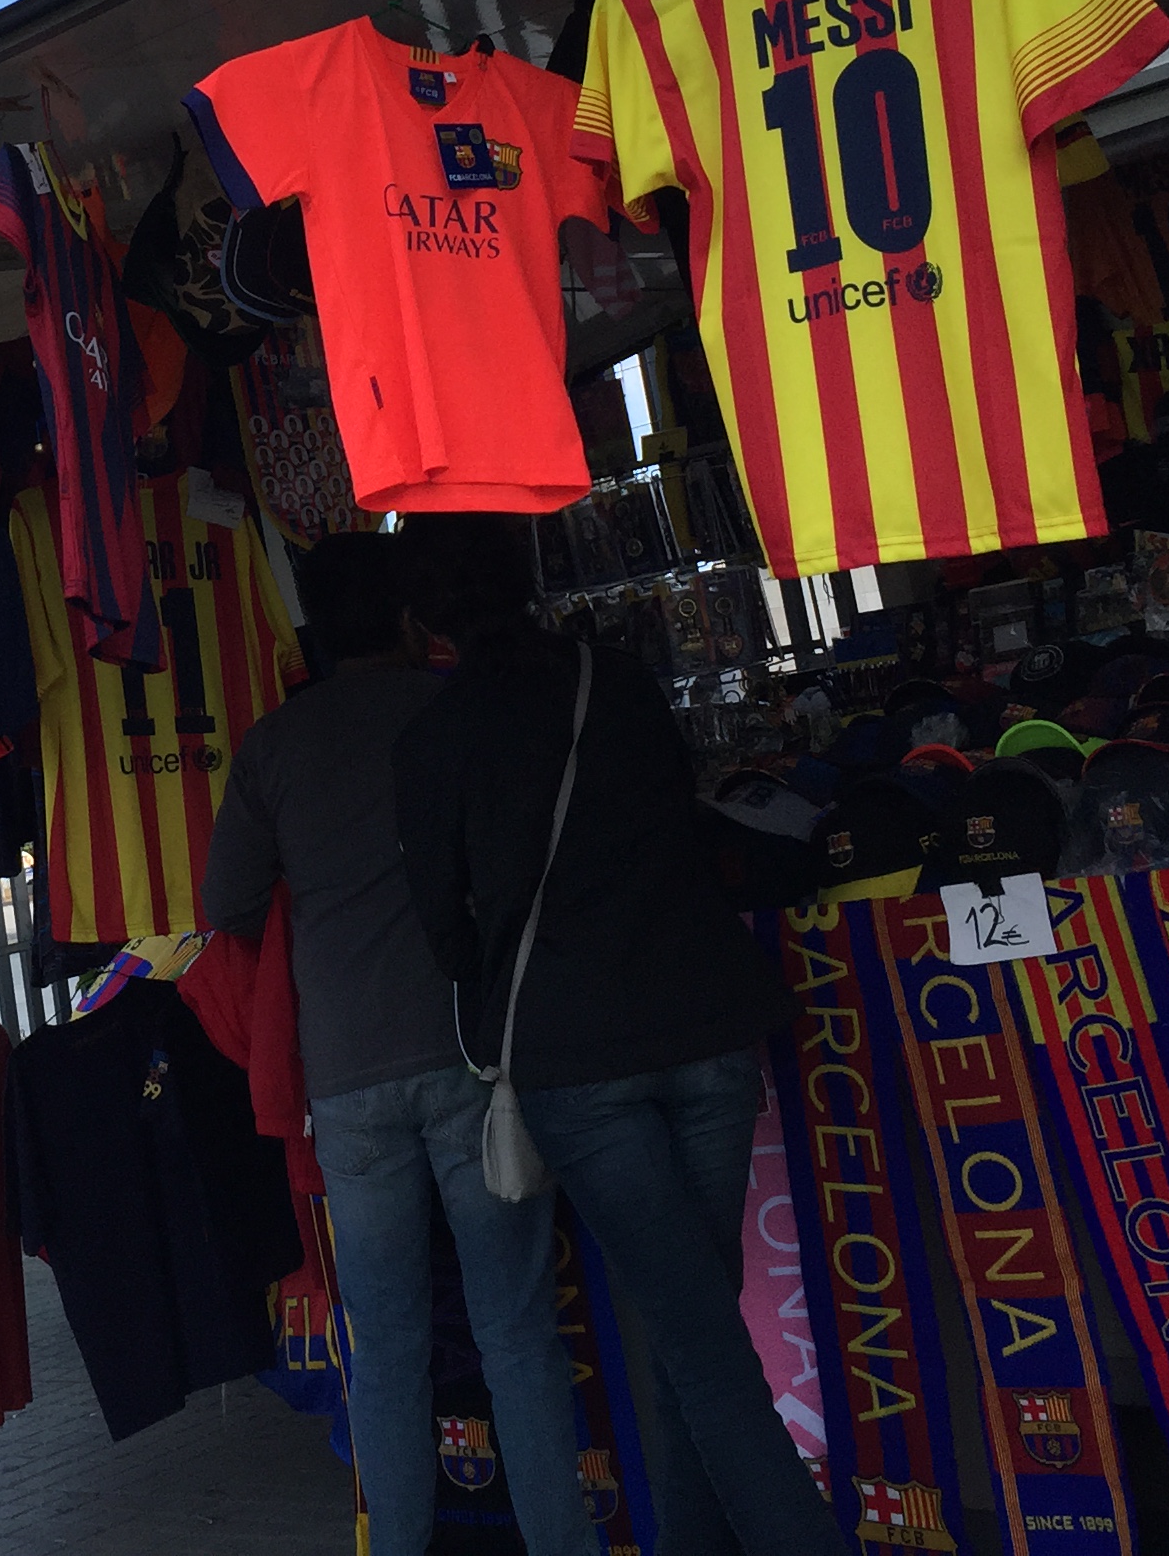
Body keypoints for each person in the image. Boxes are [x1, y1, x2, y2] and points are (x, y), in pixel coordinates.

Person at [395, 514, 844, 1556]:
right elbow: (688, 820)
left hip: (577, 1055)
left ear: (422, 617)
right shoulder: (619, 681)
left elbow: (448, 939)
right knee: (696, 1322)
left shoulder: (433, 739)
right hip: (707, 1021)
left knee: (697, 1336)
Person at [200, 532, 597, 1556]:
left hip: (346, 1079)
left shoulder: (274, 746)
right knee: (516, 1336)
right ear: (414, 622)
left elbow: (226, 904)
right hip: (473, 1059)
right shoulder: (456, 709)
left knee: (382, 1348)